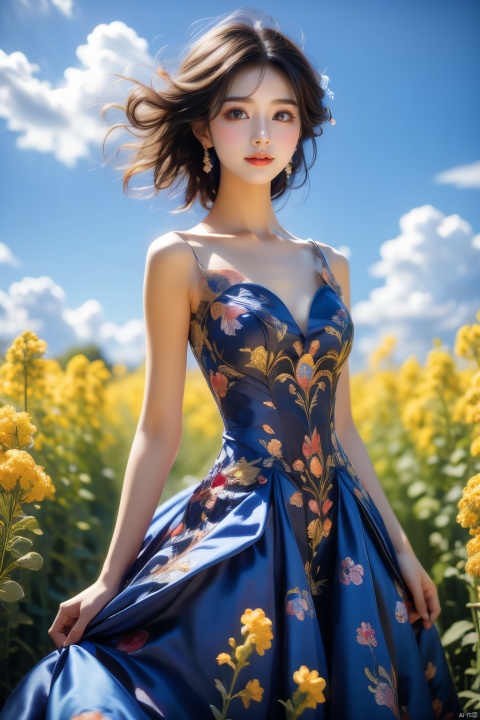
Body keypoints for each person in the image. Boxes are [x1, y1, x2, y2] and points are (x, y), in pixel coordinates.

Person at [1, 10, 461, 720]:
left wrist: (402, 548)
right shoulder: (178, 258)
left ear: (301, 127)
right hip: (243, 533)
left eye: (281, 114)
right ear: (202, 125)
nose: (260, 135)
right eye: (238, 112)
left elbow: (342, 427)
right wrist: (105, 579)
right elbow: (158, 430)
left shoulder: (330, 262)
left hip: (350, 542)